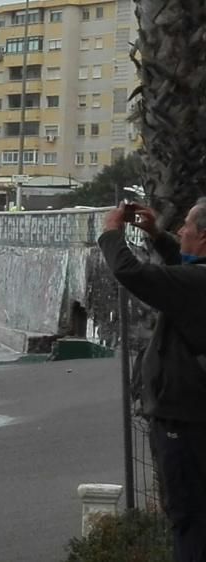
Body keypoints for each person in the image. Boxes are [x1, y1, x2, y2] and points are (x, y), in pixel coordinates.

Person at [99, 200, 206, 561]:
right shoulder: (196, 280)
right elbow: (185, 269)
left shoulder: (196, 285)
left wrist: (111, 233)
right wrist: (158, 237)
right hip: (192, 417)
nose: (181, 231)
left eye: (187, 226)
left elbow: (131, 273)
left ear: (203, 236)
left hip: (185, 421)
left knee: (189, 519)